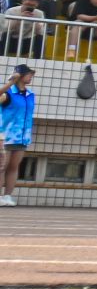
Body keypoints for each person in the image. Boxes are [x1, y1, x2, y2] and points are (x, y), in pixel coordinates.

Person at [0, 65, 34, 206]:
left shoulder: (30, 94)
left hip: (22, 136)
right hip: (6, 136)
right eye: (28, 74)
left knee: (14, 167)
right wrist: (10, 82)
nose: (31, 77)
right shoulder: (8, 93)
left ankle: (7, 196)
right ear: (20, 75)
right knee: (2, 166)